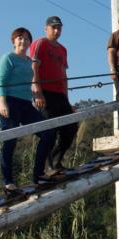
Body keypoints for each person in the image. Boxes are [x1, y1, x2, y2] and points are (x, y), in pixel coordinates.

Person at [0, 27, 55, 194]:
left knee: (48, 132)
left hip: (26, 104)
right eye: (19, 38)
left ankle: (39, 174)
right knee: (10, 140)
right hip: (9, 102)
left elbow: (30, 84)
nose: (23, 41)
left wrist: (37, 95)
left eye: (26, 39)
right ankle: (8, 182)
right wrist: (2, 102)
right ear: (14, 41)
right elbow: (1, 80)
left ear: (30, 42)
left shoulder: (30, 61)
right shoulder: (8, 58)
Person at [29, 15, 77, 175]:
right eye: (53, 27)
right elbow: (33, 68)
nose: (56, 31)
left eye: (59, 28)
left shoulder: (63, 50)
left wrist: (67, 100)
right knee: (50, 130)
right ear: (46, 28)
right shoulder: (40, 43)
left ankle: (56, 162)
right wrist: (37, 93)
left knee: (70, 127)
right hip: (45, 93)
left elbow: (64, 74)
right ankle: (46, 167)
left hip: (60, 95)